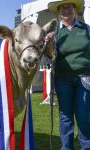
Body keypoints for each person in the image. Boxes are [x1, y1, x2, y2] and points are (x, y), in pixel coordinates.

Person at [45, 0, 90, 149]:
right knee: (65, 117)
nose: (66, 11)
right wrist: (50, 43)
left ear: (75, 10)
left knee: (84, 117)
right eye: (62, 9)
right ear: (59, 13)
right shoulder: (56, 31)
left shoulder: (86, 29)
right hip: (62, 79)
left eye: (69, 7)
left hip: (84, 78)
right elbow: (51, 56)